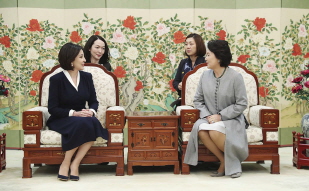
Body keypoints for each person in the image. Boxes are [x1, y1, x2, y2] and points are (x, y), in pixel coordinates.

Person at [184, 40, 248, 178]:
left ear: (218, 57)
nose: (205, 58)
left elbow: (242, 103)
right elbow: (198, 100)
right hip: (209, 118)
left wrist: (221, 116)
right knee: (201, 129)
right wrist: (207, 116)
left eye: (208, 55)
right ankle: (224, 160)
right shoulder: (205, 76)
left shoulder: (236, 77)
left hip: (232, 119)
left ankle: (233, 163)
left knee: (213, 131)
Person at [47, 42, 109, 181]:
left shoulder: (87, 77)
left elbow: (94, 101)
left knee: (91, 121)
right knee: (83, 123)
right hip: (62, 118)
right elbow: (52, 108)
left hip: (82, 118)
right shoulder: (56, 79)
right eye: (81, 57)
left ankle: (74, 163)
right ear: (71, 60)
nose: (84, 60)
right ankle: (66, 162)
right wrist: (73, 113)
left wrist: (91, 111)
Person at [171, 33, 206, 109]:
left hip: (201, 101)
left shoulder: (205, 62)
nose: (188, 47)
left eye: (191, 44)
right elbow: (175, 81)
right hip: (184, 100)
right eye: (186, 44)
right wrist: (178, 86)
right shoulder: (183, 62)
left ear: (199, 45)